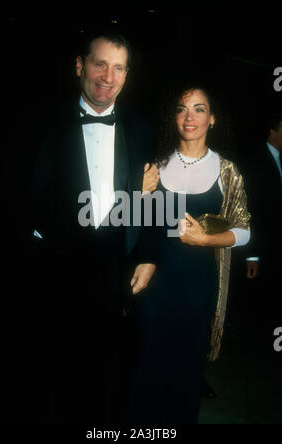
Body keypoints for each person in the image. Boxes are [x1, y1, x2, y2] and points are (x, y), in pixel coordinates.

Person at [0, 31, 158, 425]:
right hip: (48, 269)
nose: (108, 76)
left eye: (118, 67)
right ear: (79, 66)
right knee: (36, 379)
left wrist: (148, 255)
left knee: (95, 380)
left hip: (109, 272)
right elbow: (9, 193)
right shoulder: (36, 120)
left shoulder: (142, 128)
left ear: (127, 75)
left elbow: (151, 198)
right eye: (99, 63)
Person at [124, 83, 251, 425]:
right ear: (174, 117)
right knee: (145, 369)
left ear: (212, 119)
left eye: (199, 108)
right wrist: (138, 193)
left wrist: (205, 241)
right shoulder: (154, 166)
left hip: (197, 287)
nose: (190, 116)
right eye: (182, 108)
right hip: (153, 284)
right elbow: (134, 226)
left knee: (185, 371)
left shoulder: (227, 171)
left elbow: (244, 231)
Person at [239, 111, 282, 331]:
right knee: (258, 297)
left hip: (277, 246)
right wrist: (252, 254)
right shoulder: (254, 162)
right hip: (262, 245)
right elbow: (249, 210)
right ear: (273, 132)